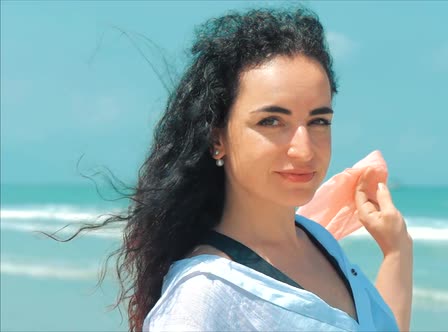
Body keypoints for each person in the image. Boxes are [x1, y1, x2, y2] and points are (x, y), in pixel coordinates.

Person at [84, 6, 412, 332]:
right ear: (217, 139)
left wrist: (397, 251)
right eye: (271, 121)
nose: (304, 148)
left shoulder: (318, 241)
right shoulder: (203, 297)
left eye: (319, 121)